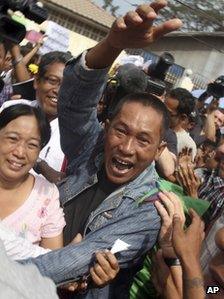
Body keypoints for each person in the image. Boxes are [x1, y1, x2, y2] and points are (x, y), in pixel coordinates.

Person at [21, 1, 182, 298]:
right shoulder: (92, 149)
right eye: (121, 131)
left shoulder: (151, 208)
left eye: (143, 140)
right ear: (106, 128)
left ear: (160, 149)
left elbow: (76, 260)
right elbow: (74, 101)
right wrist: (112, 44)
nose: (127, 148)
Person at [0, 104, 65, 250]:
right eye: (12, 139)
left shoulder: (46, 195)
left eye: (32, 145)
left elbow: (52, 261)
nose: (20, 152)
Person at [33, 51, 72, 183]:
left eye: (66, 85)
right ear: (37, 81)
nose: (58, 90)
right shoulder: (9, 110)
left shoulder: (74, 134)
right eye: (53, 81)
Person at [164, 87, 197, 160]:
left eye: (168, 113)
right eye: (161, 107)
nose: (161, 113)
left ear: (183, 118)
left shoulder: (187, 144)